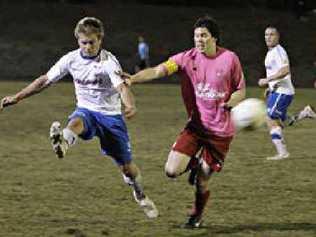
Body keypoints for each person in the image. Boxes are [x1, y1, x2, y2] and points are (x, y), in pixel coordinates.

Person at [0, 17, 158, 219]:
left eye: (92, 42)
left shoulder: (109, 62)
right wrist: (17, 97)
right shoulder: (71, 59)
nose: (88, 46)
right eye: (84, 42)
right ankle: (63, 141)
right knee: (76, 122)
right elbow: (44, 80)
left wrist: (130, 105)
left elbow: (122, 87)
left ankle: (140, 194)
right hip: (86, 111)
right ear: (78, 40)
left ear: (100, 40)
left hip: (111, 118)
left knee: (128, 169)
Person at [121, 16, 246, 228]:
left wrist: (231, 102)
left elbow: (240, 90)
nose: (199, 39)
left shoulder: (230, 59)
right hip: (196, 127)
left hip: (220, 132)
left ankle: (196, 215)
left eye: (204, 35)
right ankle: (196, 165)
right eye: (196, 35)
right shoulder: (186, 58)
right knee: (171, 170)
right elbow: (159, 70)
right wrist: (133, 79)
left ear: (214, 38)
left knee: (202, 182)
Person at [258, 26, 295, 160]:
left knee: (270, 118)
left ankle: (282, 153)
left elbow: (285, 71)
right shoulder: (271, 52)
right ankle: (302, 114)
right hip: (277, 90)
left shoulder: (279, 51)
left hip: (284, 92)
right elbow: (276, 71)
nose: (268, 37)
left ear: (277, 37)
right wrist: (271, 87)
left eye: (272, 34)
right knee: (277, 121)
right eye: (266, 35)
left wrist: (267, 80)